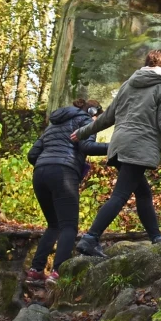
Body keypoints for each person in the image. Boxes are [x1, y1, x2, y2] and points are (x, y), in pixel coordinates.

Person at [71, 49, 161, 258]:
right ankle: (90, 238)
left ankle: (156, 237)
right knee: (120, 195)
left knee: (143, 193)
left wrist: (81, 132)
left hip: (119, 145)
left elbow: (107, 118)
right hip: (138, 146)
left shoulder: (128, 84)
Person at [25, 99, 108, 282]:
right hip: (64, 173)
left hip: (40, 174)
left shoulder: (52, 126)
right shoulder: (85, 121)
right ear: (92, 112)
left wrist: (46, 164)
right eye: (97, 118)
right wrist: (113, 148)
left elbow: (32, 154)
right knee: (69, 226)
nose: (96, 122)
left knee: (54, 224)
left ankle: (36, 270)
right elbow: (87, 147)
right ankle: (57, 272)